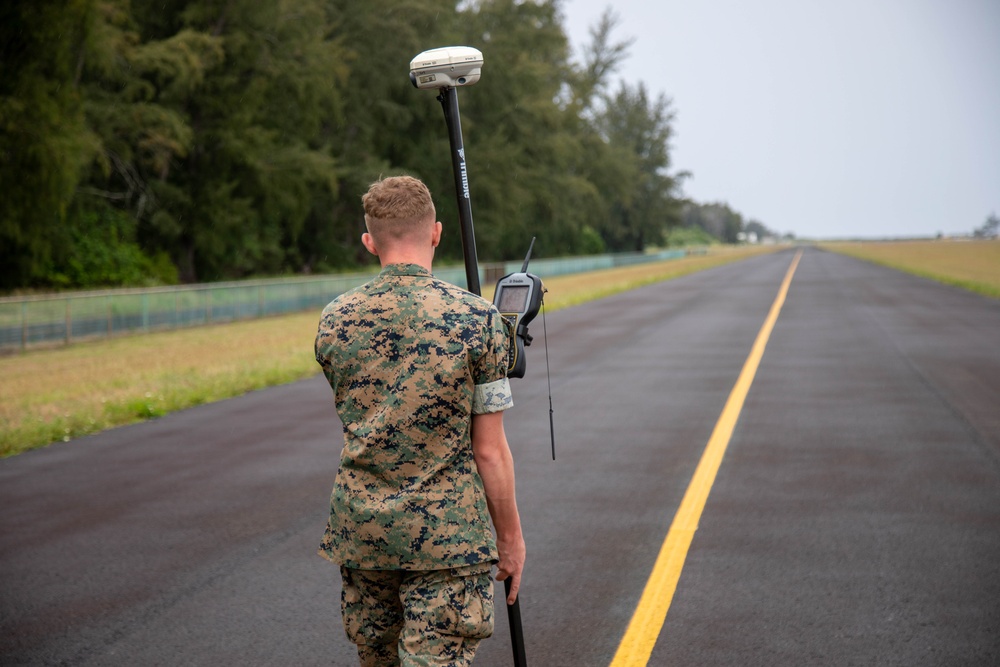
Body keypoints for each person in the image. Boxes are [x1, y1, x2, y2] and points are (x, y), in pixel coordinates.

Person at [315, 175, 526, 666]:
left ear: (369, 241)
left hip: (364, 535)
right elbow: (489, 450)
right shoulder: (476, 319)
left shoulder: (335, 319)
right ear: (435, 233)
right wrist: (510, 540)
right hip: (448, 540)